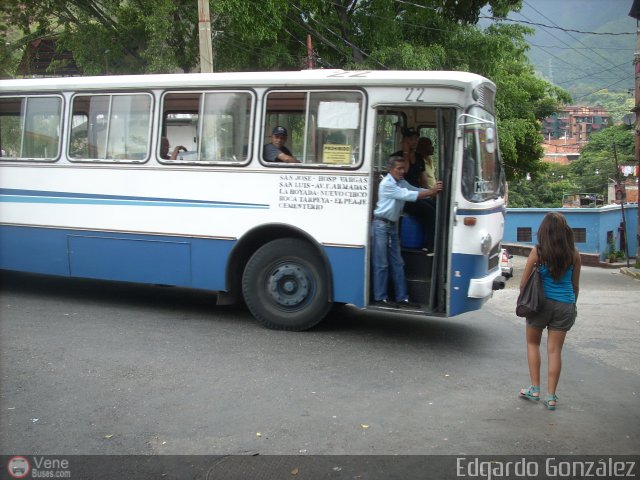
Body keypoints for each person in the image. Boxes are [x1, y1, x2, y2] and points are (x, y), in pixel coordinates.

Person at [518, 212, 581, 410]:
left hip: (540, 304)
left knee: (532, 344)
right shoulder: (574, 254)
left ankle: (535, 389)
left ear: (543, 231)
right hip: (565, 306)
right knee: (555, 351)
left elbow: (523, 283)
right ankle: (551, 396)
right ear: (565, 232)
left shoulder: (538, 252)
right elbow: (575, 286)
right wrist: (571, 305)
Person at [372, 155, 442, 309]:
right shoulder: (387, 184)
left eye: (403, 168)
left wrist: (432, 191)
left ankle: (402, 298)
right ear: (391, 169)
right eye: (399, 168)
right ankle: (380, 298)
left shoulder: (400, 182)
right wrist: (431, 191)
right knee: (382, 264)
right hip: (381, 226)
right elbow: (409, 195)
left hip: (392, 226)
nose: (402, 171)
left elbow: (414, 189)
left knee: (398, 263)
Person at [393, 129, 441, 251]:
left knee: (436, 206)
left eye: (416, 139)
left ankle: (434, 242)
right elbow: (406, 171)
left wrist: (429, 193)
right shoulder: (397, 157)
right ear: (404, 140)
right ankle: (430, 247)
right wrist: (406, 151)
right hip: (404, 197)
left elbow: (423, 178)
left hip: (416, 193)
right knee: (430, 212)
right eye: (410, 139)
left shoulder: (419, 158)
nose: (414, 142)